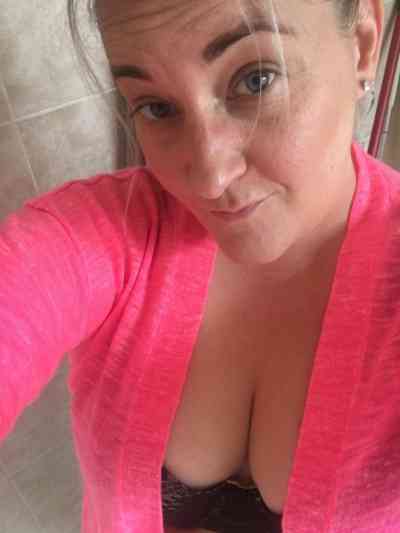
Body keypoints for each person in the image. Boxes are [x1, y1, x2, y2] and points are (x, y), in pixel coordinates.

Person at [1, 0, 399, 531]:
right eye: (157, 108)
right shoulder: (110, 232)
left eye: (256, 80)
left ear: (363, 43)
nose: (210, 178)